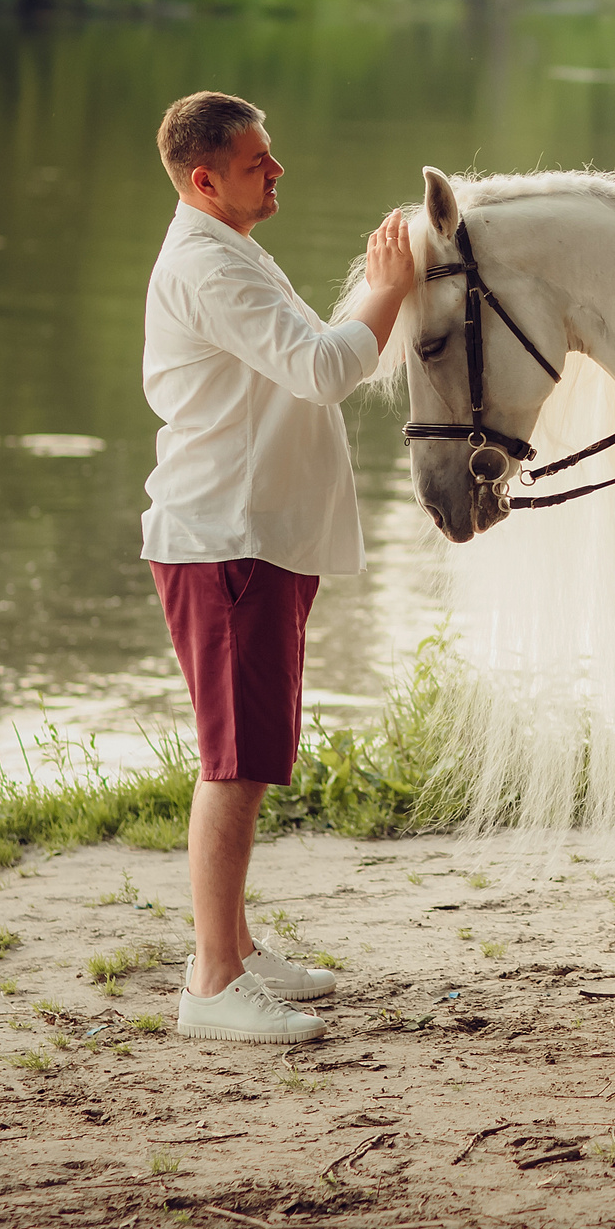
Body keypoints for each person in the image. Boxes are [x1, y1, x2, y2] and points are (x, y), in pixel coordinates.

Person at [140, 91, 417, 1042]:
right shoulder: (209, 265)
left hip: (254, 538)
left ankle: (237, 949)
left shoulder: (232, 250)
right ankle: (213, 984)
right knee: (235, 761)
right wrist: (390, 282)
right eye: (260, 160)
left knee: (250, 753)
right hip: (226, 541)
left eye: (274, 153)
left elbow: (302, 364)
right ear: (206, 179)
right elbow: (324, 368)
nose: (279, 169)